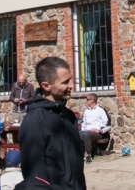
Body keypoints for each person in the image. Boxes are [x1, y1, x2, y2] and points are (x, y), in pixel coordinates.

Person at [16, 57, 86, 190]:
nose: (71, 85)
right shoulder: (34, 121)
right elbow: (34, 178)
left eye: (70, 80)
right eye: (65, 82)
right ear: (46, 86)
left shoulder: (69, 116)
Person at [79, 93, 110, 164]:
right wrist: (82, 130)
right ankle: (78, 154)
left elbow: (107, 124)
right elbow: (84, 123)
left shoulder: (101, 110)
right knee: (76, 134)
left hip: (96, 133)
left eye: (87, 99)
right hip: (85, 132)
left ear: (93, 100)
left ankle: (88, 155)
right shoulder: (87, 111)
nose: (86, 101)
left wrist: (99, 130)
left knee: (86, 134)